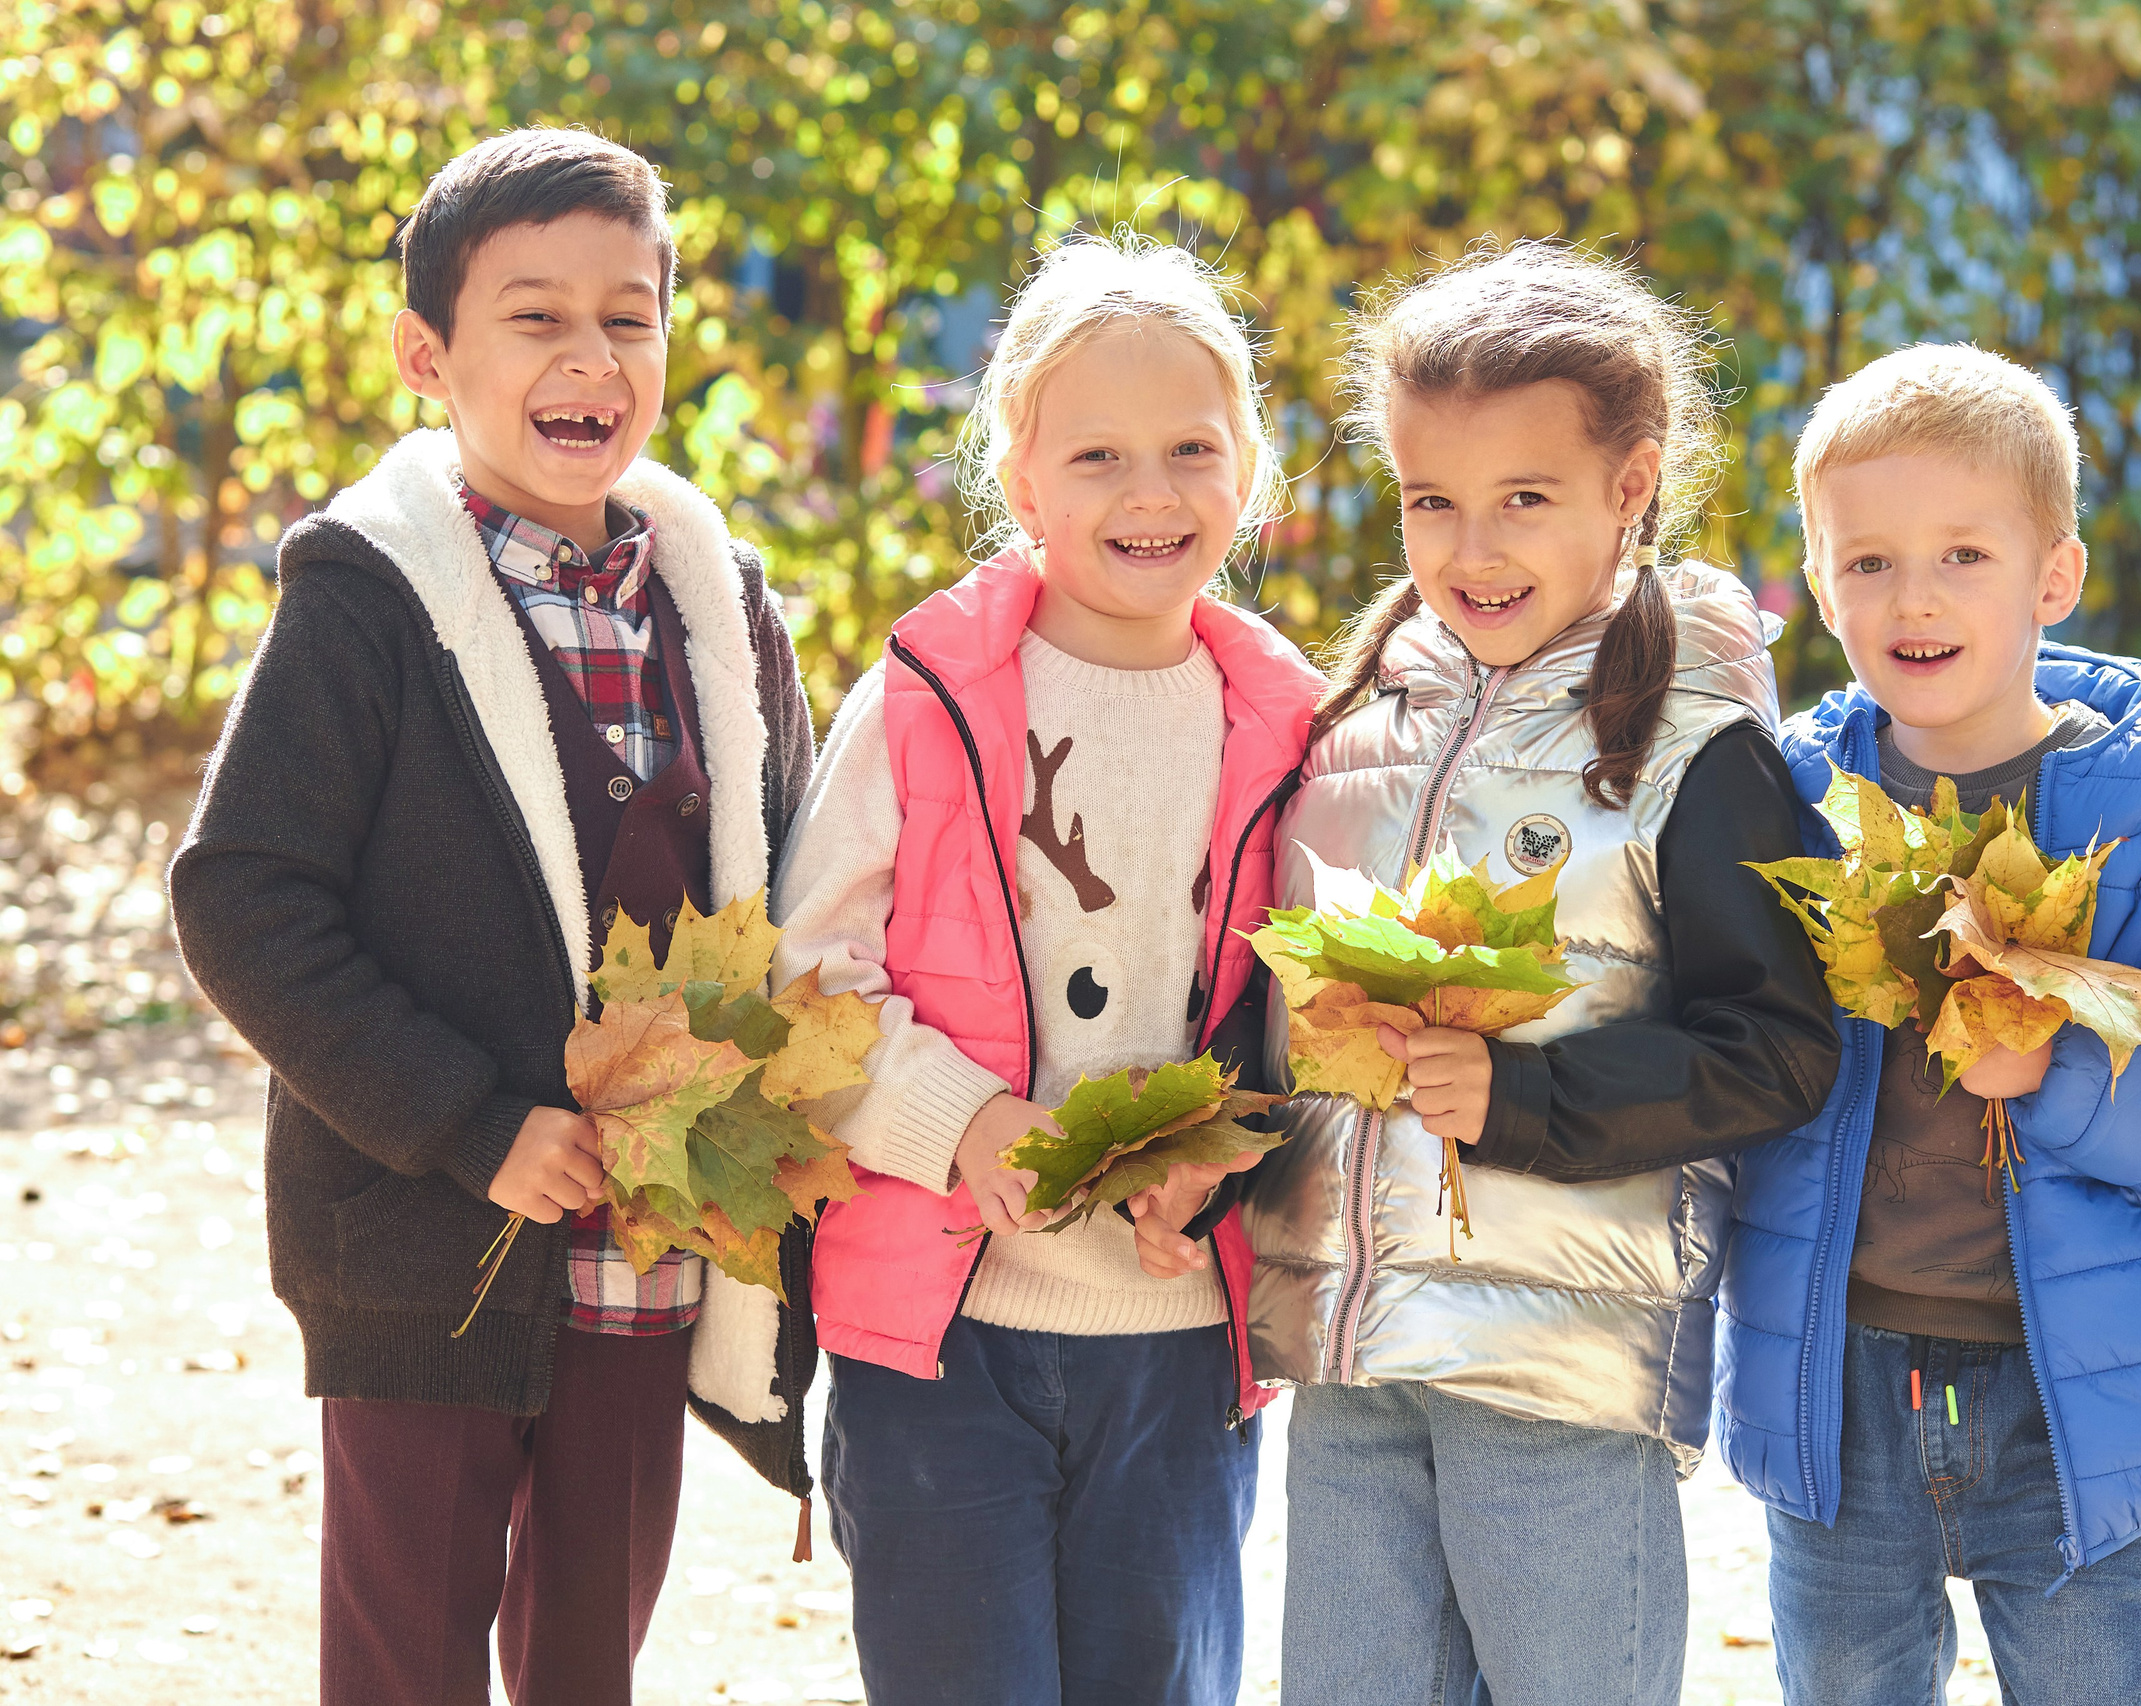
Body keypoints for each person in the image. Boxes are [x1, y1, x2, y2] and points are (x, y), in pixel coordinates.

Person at [167, 129, 818, 1706]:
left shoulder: (717, 605)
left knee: (591, 1643)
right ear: (425, 353)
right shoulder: (369, 599)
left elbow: (797, 882)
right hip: (426, 1231)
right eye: (534, 317)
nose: (591, 354)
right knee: (407, 1651)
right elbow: (240, 894)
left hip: (652, 1228)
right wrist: (470, 1123)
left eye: (630, 315)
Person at [1245, 239, 1843, 1706]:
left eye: (1525, 498)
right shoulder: (1365, 711)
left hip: (1557, 1368)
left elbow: (1776, 1046)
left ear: (1630, 487)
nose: (1471, 548)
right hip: (1351, 1344)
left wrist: (1521, 1095)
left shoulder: (1700, 749)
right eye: (1430, 501)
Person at [1716, 341, 2141, 1703]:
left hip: (2074, 1392)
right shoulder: (1784, 812)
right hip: (1838, 1371)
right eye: (1869, 560)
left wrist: (2058, 1064)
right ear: (1820, 584)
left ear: (2052, 577)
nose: (1915, 595)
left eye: (1964, 553)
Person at [768, 231, 1320, 1706]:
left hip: (1181, 1341)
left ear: (1251, 468)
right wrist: (959, 1124)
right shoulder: (923, 700)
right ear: (1019, 484)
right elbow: (806, 984)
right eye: (1096, 457)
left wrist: (1224, 1160)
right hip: (944, 1338)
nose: (1151, 493)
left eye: (1192, 448)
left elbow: (1310, 1029)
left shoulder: (1291, 723)